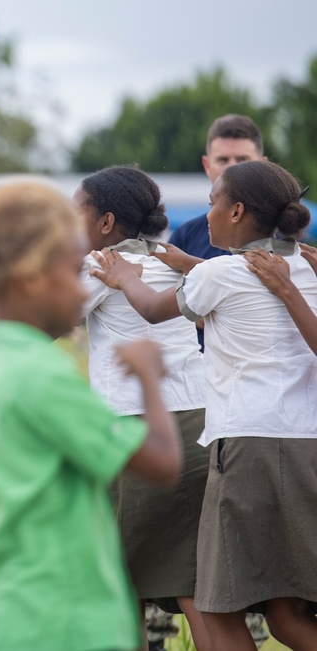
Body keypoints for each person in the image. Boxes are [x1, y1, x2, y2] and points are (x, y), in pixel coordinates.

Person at [0, 179, 181, 651]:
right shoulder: (41, 376)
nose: (82, 292)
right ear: (35, 278)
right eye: (70, 271)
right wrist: (148, 379)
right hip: (63, 620)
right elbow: (161, 463)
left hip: (5, 617)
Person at [90, 160, 317, 650]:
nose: (206, 213)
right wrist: (189, 266)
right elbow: (240, 284)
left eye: (214, 202)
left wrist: (125, 276)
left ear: (237, 211)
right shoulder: (302, 266)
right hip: (307, 444)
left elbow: (152, 308)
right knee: (289, 613)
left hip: (248, 446)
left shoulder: (221, 273)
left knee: (217, 606)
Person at [75, 166, 211, 650]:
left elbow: (45, 320)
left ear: (107, 221)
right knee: (194, 583)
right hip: (199, 426)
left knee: (119, 581)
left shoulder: (101, 265)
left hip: (131, 429)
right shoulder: (173, 261)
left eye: (78, 212)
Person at [168, 114, 267, 350]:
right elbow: (162, 309)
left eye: (242, 159)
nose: (232, 168)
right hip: (196, 374)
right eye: (223, 159)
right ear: (206, 165)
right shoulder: (185, 235)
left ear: (263, 165)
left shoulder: (284, 235)